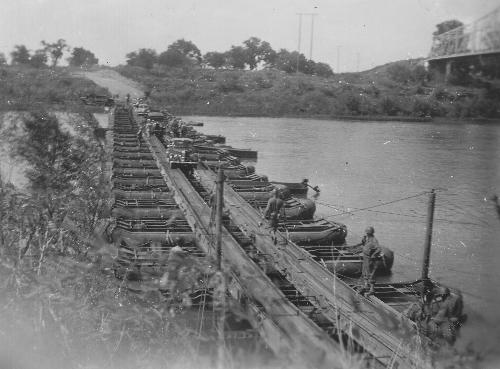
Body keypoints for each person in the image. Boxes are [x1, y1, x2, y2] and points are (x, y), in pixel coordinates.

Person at [355, 226, 382, 295]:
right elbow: (364, 244)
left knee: (370, 273)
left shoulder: (374, 240)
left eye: (367, 233)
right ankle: (366, 286)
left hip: (370, 259)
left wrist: (373, 256)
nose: (366, 234)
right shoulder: (367, 238)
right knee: (365, 272)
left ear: (370, 233)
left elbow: (379, 249)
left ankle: (372, 289)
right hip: (366, 258)